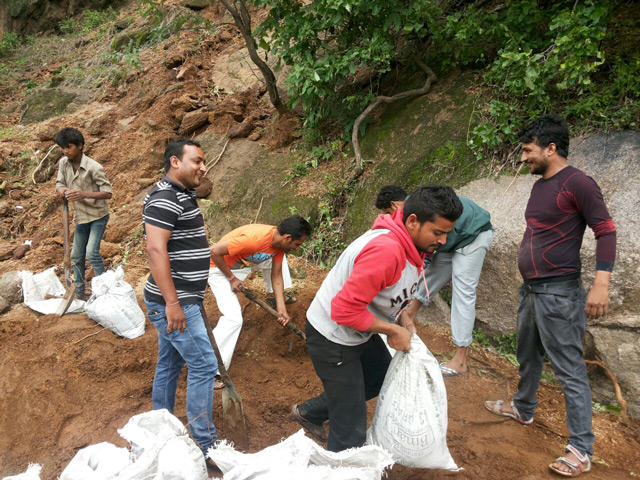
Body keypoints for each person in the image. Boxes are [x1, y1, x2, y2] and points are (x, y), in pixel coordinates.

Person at [484, 114, 616, 477]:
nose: (523, 157)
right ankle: (523, 408)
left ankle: (580, 449)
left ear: (551, 148)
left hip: (560, 294)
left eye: (528, 150)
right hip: (532, 291)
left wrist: (600, 284)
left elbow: (606, 231)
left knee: (569, 370)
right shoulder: (541, 184)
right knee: (526, 355)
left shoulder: (578, 183)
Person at [292, 185, 463, 452]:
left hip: (359, 330)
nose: (442, 241)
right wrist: (392, 331)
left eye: (446, 233)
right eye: (437, 232)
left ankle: (310, 412)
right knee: (350, 431)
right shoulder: (386, 251)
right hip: (332, 336)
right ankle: (343, 467)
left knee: (380, 376)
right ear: (412, 221)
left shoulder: (413, 246)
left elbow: (392, 293)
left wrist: (404, 318)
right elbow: (343, 311)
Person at [143, 139, 218, 464]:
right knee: (204, 365)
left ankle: (160, 430)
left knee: (170, 363)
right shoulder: (164, 198)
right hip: (174, 302)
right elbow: (156, 250)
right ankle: (207, 447)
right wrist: (173, 303)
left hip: (182, 298)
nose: (203, 167)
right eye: (197, 161)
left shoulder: (181, 194)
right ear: (175, 162)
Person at [376, 185, 494, 377]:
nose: (391, 217)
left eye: (389, 212)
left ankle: (460, 359)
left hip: (473, 235)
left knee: (463, 291)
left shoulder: (418, 211)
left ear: (394, 204)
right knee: (428, 277)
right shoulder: (416, 208)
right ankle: (408, 317)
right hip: (451, 238)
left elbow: (425, 251)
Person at [208, 216, 312, 375]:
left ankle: (274, 296)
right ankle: (209, 369)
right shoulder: (254, 240)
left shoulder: (278, 244)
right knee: (233, 319)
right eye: (297, 244)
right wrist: (232, 278)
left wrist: (281, 308)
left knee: (278, 259)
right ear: (287, 237)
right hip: (220, 269)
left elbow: (276, 276)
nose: (297, 249)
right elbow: (214, 251)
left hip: (244, 264)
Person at [55, 128, 112, 299]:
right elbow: (59, 183)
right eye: (62, 147)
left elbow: (107, 193)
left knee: (91, 253)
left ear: (80, 146)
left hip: (98, 216)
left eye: (69, 147)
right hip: (82, 217)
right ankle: (79, 291)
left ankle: (104, 292)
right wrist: (64, 190)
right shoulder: (63, 163)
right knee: (76, 255)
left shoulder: (94, 167)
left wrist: (84, 194)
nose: (65, 151)